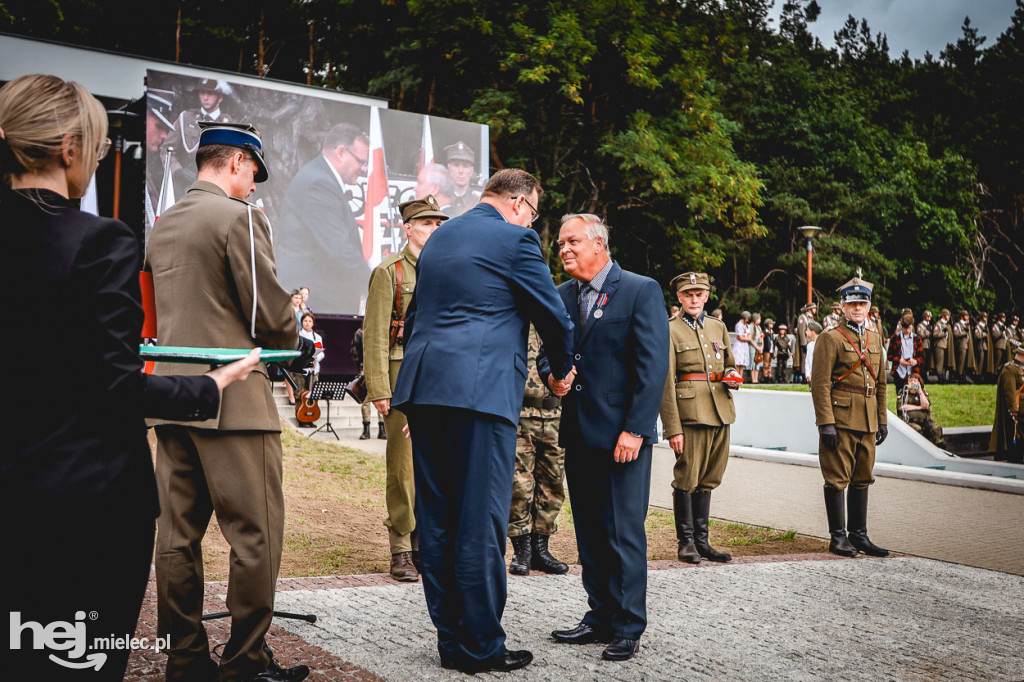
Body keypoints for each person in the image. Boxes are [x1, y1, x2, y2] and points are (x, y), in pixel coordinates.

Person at [1, 73, 262, 682]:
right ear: (68, 148)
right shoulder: (97, 243)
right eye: (97, 150)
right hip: (80, 503)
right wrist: (214, 383)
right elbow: (113, 388)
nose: (96, 163)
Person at [147, 121, 313, 682]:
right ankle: (245, 662)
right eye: (253, 175)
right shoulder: (239, 217)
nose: (254, 188)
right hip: (233, 397)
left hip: (169, 396)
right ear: (239, 162)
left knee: (176, 537)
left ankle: (185, 659)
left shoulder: (163, 222)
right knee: (255, 535)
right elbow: (267, 312)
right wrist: (296, 337)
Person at [391, 169, 574, 674]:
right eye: (534, 212)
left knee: (439, 521)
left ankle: (451, 642)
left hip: (427, 391)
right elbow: (553, 316)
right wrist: (561, 371)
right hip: (481, 393)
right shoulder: (516, 239)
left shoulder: (440, 238)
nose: (533, 221)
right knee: (480, 523)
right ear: (518, 202)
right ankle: (481, 648)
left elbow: (419, 318)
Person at [541, 213, 669, 663]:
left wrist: (635, 429)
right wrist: (553, 378)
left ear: (599, 244)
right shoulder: (561, 295)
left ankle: (629, 625)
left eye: (572, 241)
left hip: (622, 437)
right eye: (559, 244)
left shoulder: (640, 289)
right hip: (578, 433)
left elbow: (652, 368)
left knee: (623, 532)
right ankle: (599, 615)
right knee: (591, 532)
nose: (564, 250)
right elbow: (549, 353)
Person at [363, 195, 447, 581]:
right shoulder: (389, 272)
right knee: (402, 467)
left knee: (433, 465)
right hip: (400, 378)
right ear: (407, 227)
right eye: (427, 223)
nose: (434, 229)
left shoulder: (446, 270)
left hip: (437, 379)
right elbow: (376, 335)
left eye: (438, 223)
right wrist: (379, 387)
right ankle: (400, 547)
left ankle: (423, 546)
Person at [659, 272, 742, 567]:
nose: (694, 299)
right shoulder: (669, 329)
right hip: (690, 415)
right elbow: (666, 381)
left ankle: (703, 541)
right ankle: (687, 542)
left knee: (709, 478)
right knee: (687, 478)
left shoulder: (718, 327)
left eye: (699, 294)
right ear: (679, 298)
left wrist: (731, 375)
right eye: (688, 294)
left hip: (721, 409)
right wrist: (673, 428)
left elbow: (729, 363)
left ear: (707, 296)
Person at [810, 276, 888, 559]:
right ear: (842, 307)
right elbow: (819, 383)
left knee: (863, 477)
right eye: (852, 303)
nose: (858, 308)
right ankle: (838, 537)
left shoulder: (875, 338)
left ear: (869, 306)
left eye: (862, 303)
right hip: (841, 417)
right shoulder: (830, 338)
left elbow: (880, 383)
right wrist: (825, 422)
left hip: (867, 418)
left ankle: (860, 535)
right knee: (837, 478)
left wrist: (882, 420)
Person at [277, 122, 370, 314]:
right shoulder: (318, 184)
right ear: (341, 152)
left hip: (319, 301)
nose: (364, 169)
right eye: (361, 161)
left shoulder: (320, 178)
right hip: (316, 306)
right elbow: (339, 250)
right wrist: (379, 287)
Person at [508, 324, 570, 576]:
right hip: (520, 413)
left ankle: (541, 548)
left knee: (553, 484)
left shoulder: (556, 317)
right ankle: (521, 549)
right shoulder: (513, 318)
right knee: (519, 485)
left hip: (556, 413)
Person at [160, 78, 234, 197]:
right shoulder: (186, 118)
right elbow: (166, 149)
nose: (205, 98)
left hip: (217, 190)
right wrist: (177, 171)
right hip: (187, 187)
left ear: (220, 98)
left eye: (210, 94)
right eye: (202, 93)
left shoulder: (229, 124)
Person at [989, 339, 1024, 463]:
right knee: (1015, 437)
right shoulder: (1010, 369)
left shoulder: (1020, 369)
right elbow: (1009, 392)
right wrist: (1014, 410)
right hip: (1016, 412)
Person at [350, 327, 385, 440]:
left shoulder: (382, 330)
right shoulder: (360, 332)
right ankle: (366, 429)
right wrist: (360, 366)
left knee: (383, 395)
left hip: (380, 367)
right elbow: (355, 351)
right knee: (365, 400)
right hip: (365, 367)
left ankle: (382, 429)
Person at [897, 373, 945, 448]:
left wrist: (919, 392)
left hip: (925, 421)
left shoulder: (923, 393)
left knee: (936, 428)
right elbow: (902, 407)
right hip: (910, 421)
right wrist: (919, 407)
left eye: (915, 381)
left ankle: (940, 448)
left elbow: (926, 405)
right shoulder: (903, 392)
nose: (913, 382)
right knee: (917, 429)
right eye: (911, 380)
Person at [295, 312, 325, 428]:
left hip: (313, 369)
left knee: (312, 393)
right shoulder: (298, 336)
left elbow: (321, 352)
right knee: (300, 393)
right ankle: (300, 417)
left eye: (310, 321)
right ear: (302, 322)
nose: (307, 323)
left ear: (313, 323)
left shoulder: (317, 337)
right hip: (301, 368)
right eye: (305, 321)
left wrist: (317, 357)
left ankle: (310, 417)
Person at [887, 312, 923, 393]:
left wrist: (916, 361)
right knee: (900, 394)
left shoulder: (917, 339)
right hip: (899, 372)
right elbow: (889, 355)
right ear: (901, 327)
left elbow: (922, 357)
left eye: (909, 328)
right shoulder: (895, 338)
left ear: (912, 326)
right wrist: (899, 360)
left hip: (913, 372)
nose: (907, 330)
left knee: (913, 393)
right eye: (905, 328)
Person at [443, 139, 480, 217]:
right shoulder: (440, 200)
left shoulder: (479, 203)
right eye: (456, 165)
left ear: (471, 171)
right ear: (449, 168)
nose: (461, 171)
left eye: (465, 166)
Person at [953, 310, 977, 384]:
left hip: (967, 345)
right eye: (966, 316)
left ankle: (963, 376)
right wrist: (964, 332)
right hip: (961, 345)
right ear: (962, 316)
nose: (968, 317)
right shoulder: (958, 325)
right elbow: (956, 334)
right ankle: (959, 376)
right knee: (961, 361)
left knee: (966, 362)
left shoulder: (967, 325)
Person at [795, 302, 817, 382]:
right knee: (804, 359)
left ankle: (809, 374)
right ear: (810, 309)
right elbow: (801, 331)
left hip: (812, 341)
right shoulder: (803, 317)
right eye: (814, 308)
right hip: (806, 342)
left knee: (811, 358)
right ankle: (803, 374)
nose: (815, 310)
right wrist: (803, 343)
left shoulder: (812, 318)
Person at [932, 308, 953, 383]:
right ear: (944, 316)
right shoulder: (938, 324)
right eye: (947, 315)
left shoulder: (947, 324)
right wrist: (943, 333)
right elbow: (935, 334)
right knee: (940, 362)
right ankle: (939, 377)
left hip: (946, 345)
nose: (949, 317)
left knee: (944, 362)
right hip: (939, 345)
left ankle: (943, 376)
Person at [732, 311, 752, 377]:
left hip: (744, 345)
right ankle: (737, 376)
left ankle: (741, 376)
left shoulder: (746, 326)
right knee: (738, 362)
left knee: (742, 363)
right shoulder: (739, 325)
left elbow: (749, 336)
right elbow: (740, 337)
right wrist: (747, 338)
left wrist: (746, 338)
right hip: (739, 345)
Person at [916, 310, 933, 379]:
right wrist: (928, 332)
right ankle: (922, 376)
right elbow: (921, 335)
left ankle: (926, 376)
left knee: (927, 362)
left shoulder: (929, 325)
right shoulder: (920, 325)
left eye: (930, 317)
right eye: (927, 316)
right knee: (923, 362)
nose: (929, 318)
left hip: (929, 345)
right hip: (923, 345)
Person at [749, 312, 764, 384]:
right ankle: (753, 379)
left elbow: (761, 337)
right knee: (753, 361)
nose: (760, 320)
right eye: (759, 319)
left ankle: (756, 378)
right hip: (753, 347)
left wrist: (761, 347)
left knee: (758, 361)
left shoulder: (759, 327)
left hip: (759, 347)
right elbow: (750, 339)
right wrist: (756, 347)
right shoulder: (750, 327)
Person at [761, 318, 775, 383]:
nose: (772, 325)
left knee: (770, 363)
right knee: (766, 363)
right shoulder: (764, 332)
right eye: (771, 324)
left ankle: (770, 375)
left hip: (771, 349)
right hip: (766, 349)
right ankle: (765, 376)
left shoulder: (772, 332)